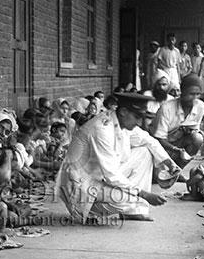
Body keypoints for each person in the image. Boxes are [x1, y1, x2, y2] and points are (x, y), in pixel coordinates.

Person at [56, 92, 169, 223]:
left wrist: (168, 162)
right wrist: (143, 194)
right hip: (80, 186)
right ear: (123, 112)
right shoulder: (101, 128)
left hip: (98, 177)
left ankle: (135, 212)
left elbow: (149, 140)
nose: (139, 122)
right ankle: (86, 210)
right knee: (132, 199)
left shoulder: (123, 123)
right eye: (137, 117)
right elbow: (111, 174)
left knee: (144, 152)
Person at [153, 73, 204, 167]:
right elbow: (159, 138)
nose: (195, 98)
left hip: (180, 143)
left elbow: (195, 131)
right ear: (183, 92)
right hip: (162, 146)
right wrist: (175, 149)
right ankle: (168, 168)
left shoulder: (200, 106)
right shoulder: (167, 108)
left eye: (198, 94)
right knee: (159, 175)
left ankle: (178, 169)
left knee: (198, 138)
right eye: (191, 94)